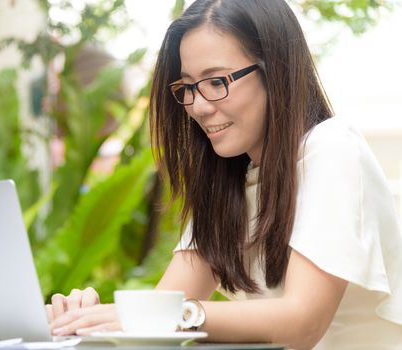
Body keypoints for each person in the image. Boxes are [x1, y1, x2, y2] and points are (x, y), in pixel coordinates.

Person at [45, 0, 402, 349]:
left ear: (275, 70)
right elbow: (166, 306)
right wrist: (85, 319)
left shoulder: (331, 147)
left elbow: (302, 323)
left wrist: (176, 315)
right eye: (186, 88)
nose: (198, 106)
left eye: (216, 82)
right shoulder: (228, 179)